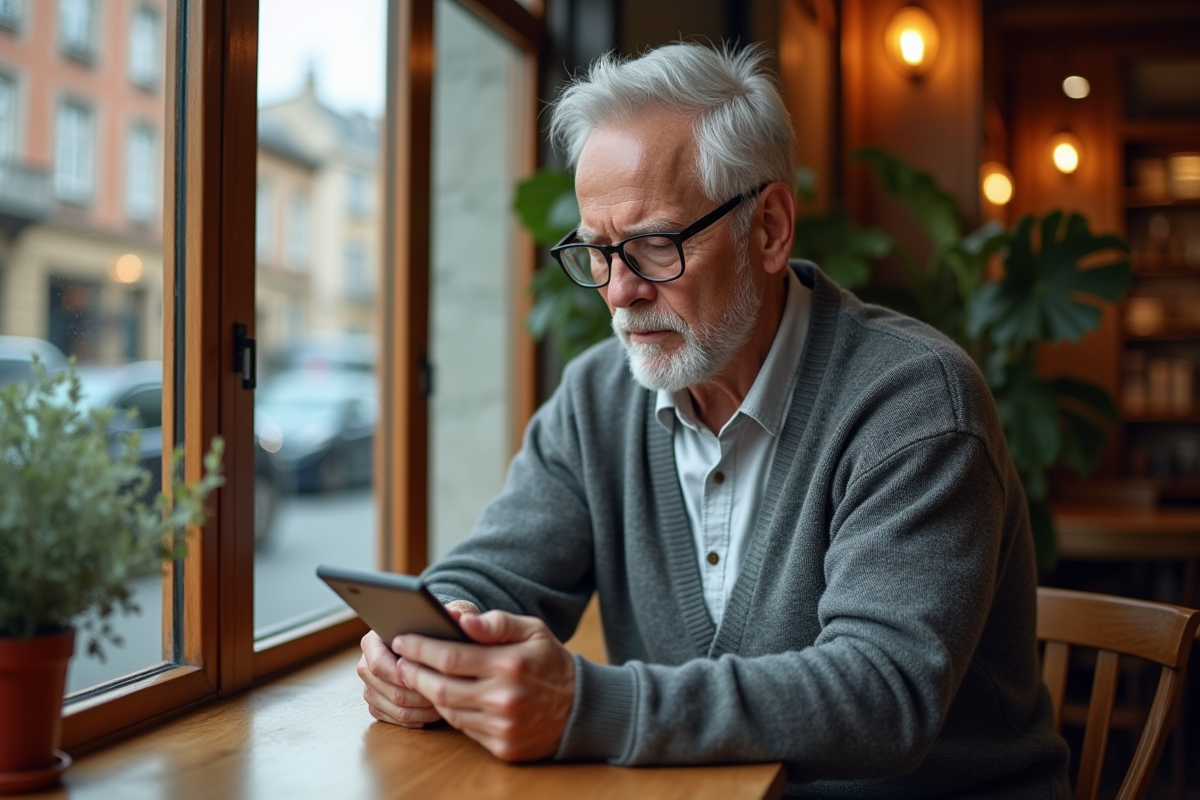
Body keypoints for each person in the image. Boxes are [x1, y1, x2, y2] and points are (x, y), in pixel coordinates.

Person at [358, 42, 1070, 797]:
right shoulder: (597, 395)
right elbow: (496, 572)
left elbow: (883, 693)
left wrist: (584, 705)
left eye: (654, 245)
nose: (620, 291)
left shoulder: (917, 403)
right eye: (599, 251)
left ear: (767, 229)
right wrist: (429, 645)